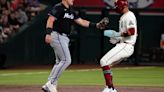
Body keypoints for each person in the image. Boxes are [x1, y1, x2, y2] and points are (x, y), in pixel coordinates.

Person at [42, 0, 108, 92]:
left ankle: (51, 84)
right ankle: (51, 83)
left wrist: (96, 25)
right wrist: (48, 33)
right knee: (66, 60)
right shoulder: (58, 7)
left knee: (59, 62)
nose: (73, 0)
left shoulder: (71, 10)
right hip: (57, 35)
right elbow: (50, 19)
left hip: (63, 37)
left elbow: (81, 21)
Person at [100, 0, 138, 92]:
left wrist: (117, 35)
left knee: (103, 61)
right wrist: (118, 38)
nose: (116, 8)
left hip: (126, 46)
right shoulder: (124, 16)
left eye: (117, 6)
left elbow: (131, 32)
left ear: (123, 6)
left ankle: (110, 88)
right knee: (107, 64)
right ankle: (110, 88)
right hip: (123, 44)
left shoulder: (129, 16)